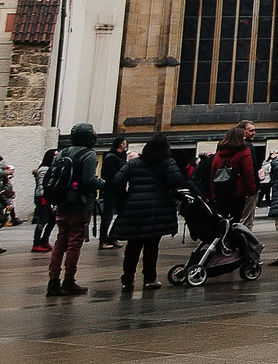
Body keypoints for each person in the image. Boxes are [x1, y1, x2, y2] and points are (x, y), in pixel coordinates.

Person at [106, 136, 180, 289]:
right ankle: (149, 279)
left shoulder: (134, 163)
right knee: (152, 247)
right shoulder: (168, 163)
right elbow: (176, 182)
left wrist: (126, 198)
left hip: (134, 209)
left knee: (133, 246)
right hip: (157, 210)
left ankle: (127, 280)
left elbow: (117, 182)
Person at [44, 123, 102, 296]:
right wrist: (103, 183)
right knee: (74, 243)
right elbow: (88, 180)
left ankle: (53, 282)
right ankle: (69, 280)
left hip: (61, 202)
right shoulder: (89, 154)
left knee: (60, 242)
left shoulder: (63, 152)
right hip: (80, 204)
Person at [98, 137, 129, 248]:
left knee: (122, 214)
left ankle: (113, 236)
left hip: (119, 191)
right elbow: (112, 176)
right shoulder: (111, 157)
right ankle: (103, 240)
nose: (126, 145)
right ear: (121, 145)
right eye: (125, 143)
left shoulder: (119, 157)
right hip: (112, 191)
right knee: (108, 216)